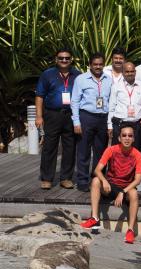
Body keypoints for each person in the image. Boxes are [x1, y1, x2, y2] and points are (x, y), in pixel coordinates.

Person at [80, 124, 141, 244]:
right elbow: (97, 170)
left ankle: (130, 231)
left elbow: (137, 180)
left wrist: (122, 192)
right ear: (119, 138)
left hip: (126, 188)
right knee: (96, 180)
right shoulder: (111, 150)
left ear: (133, 139)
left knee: (134, 193)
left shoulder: (137, 155)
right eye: (124, 135)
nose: (127, 138)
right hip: (110, 185)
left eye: (130, 136)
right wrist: (104, 180)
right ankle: (94, 218)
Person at [35, 48, 81, 190]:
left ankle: (66, 178)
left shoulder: (77, 75)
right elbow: (39, 96)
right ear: (56, 59)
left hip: (71, 114)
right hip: (52, 114)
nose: (64, 60)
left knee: (70, 146)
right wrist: (38, 116)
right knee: (49, 146)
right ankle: (47, 178)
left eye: (67, 58)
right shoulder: (47, 74)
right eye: (61, 58)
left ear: (71, 59)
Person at [71, 52, 112, 192]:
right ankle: (82, 181)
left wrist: (109, 123)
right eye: (95, 64)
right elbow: (75, 101)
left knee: (101, 151)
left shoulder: (109, 79)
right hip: (86, 116)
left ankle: (97, 179)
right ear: (90, 65)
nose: (98, 67)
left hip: (103, 118)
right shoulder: (81, 79)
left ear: (104, 64)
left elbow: (111, 101)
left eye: (100, 64)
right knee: (83, 150)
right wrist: (76, 122)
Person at [108, 61, 141, 149]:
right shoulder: (116, 86)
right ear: (123, 72)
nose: (130, 74)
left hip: (136, 125)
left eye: (132, 71)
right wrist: (110, 126)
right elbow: (111, 108)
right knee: (117, 152)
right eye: (127, 71)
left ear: (135, 72)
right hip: (119, 125)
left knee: (135, 152)